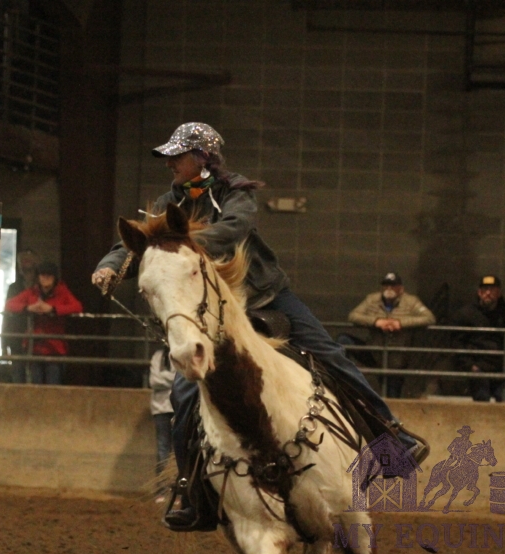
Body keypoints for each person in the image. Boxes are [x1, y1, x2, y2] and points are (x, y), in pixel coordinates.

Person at [91, 122, 428, 528]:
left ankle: (391, 440)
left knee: (331, 355)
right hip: (216, 312)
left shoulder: (236, 193)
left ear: (201, 157)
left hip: (267, 296)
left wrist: (185, 244)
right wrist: (110, 266)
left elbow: (235, 228)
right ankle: (191, 490)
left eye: (177, 156)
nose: (170, 164)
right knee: (182, 395)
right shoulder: (168, 203)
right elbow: (133, 242)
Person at [336, 272, 435, 398]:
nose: (389, 289)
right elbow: (353, 315)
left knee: (392, 395)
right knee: (343, 340)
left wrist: (400, 323)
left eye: (393, 286)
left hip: (397, 358)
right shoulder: (372, 299)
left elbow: (429, 318)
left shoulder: (411, 301)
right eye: (386, 285)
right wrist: (376, 321)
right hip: (374, 352)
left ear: (401, 289)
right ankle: (343, 380)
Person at [4, 261, 83, 385]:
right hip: (34, 347)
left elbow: (77, 307)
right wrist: (28, 308)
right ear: (38, 277)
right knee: (35, 384)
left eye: (49, 275)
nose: (45, 278)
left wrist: (53, 309)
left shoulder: (62, 292)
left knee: (53, 384)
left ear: (55, 278)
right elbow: (9, 305)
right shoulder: (32, 292)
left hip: (54, 348)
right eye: (42, 275)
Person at [453, 275, 505, 402]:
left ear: (499, 293)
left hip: (499, 369)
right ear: (479, 292)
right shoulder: (466, 314)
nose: (488, 293)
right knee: (482, 398)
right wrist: (470, 366)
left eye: (492, 289)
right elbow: (457, 342)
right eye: (485, 289)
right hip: (477, 368)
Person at [2, 249, 39, 383]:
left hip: (37, 339)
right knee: (18, 374)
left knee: (36, 376)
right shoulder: (14, 288)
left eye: (29, 261)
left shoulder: (41, 287)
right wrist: (4, 343)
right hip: (16, 337)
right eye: (23, 262)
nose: (26, 265)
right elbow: (7, 316)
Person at [149, 345, 175, 500]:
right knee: (163, 450)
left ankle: (177, 490)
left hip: (178, 407)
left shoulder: (179, 354)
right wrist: (174, 379)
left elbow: (185, 378)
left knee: (177, 450)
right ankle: (162, 489)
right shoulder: (157, 356)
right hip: (160, 409)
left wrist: (164, 378)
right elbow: (153, 380)